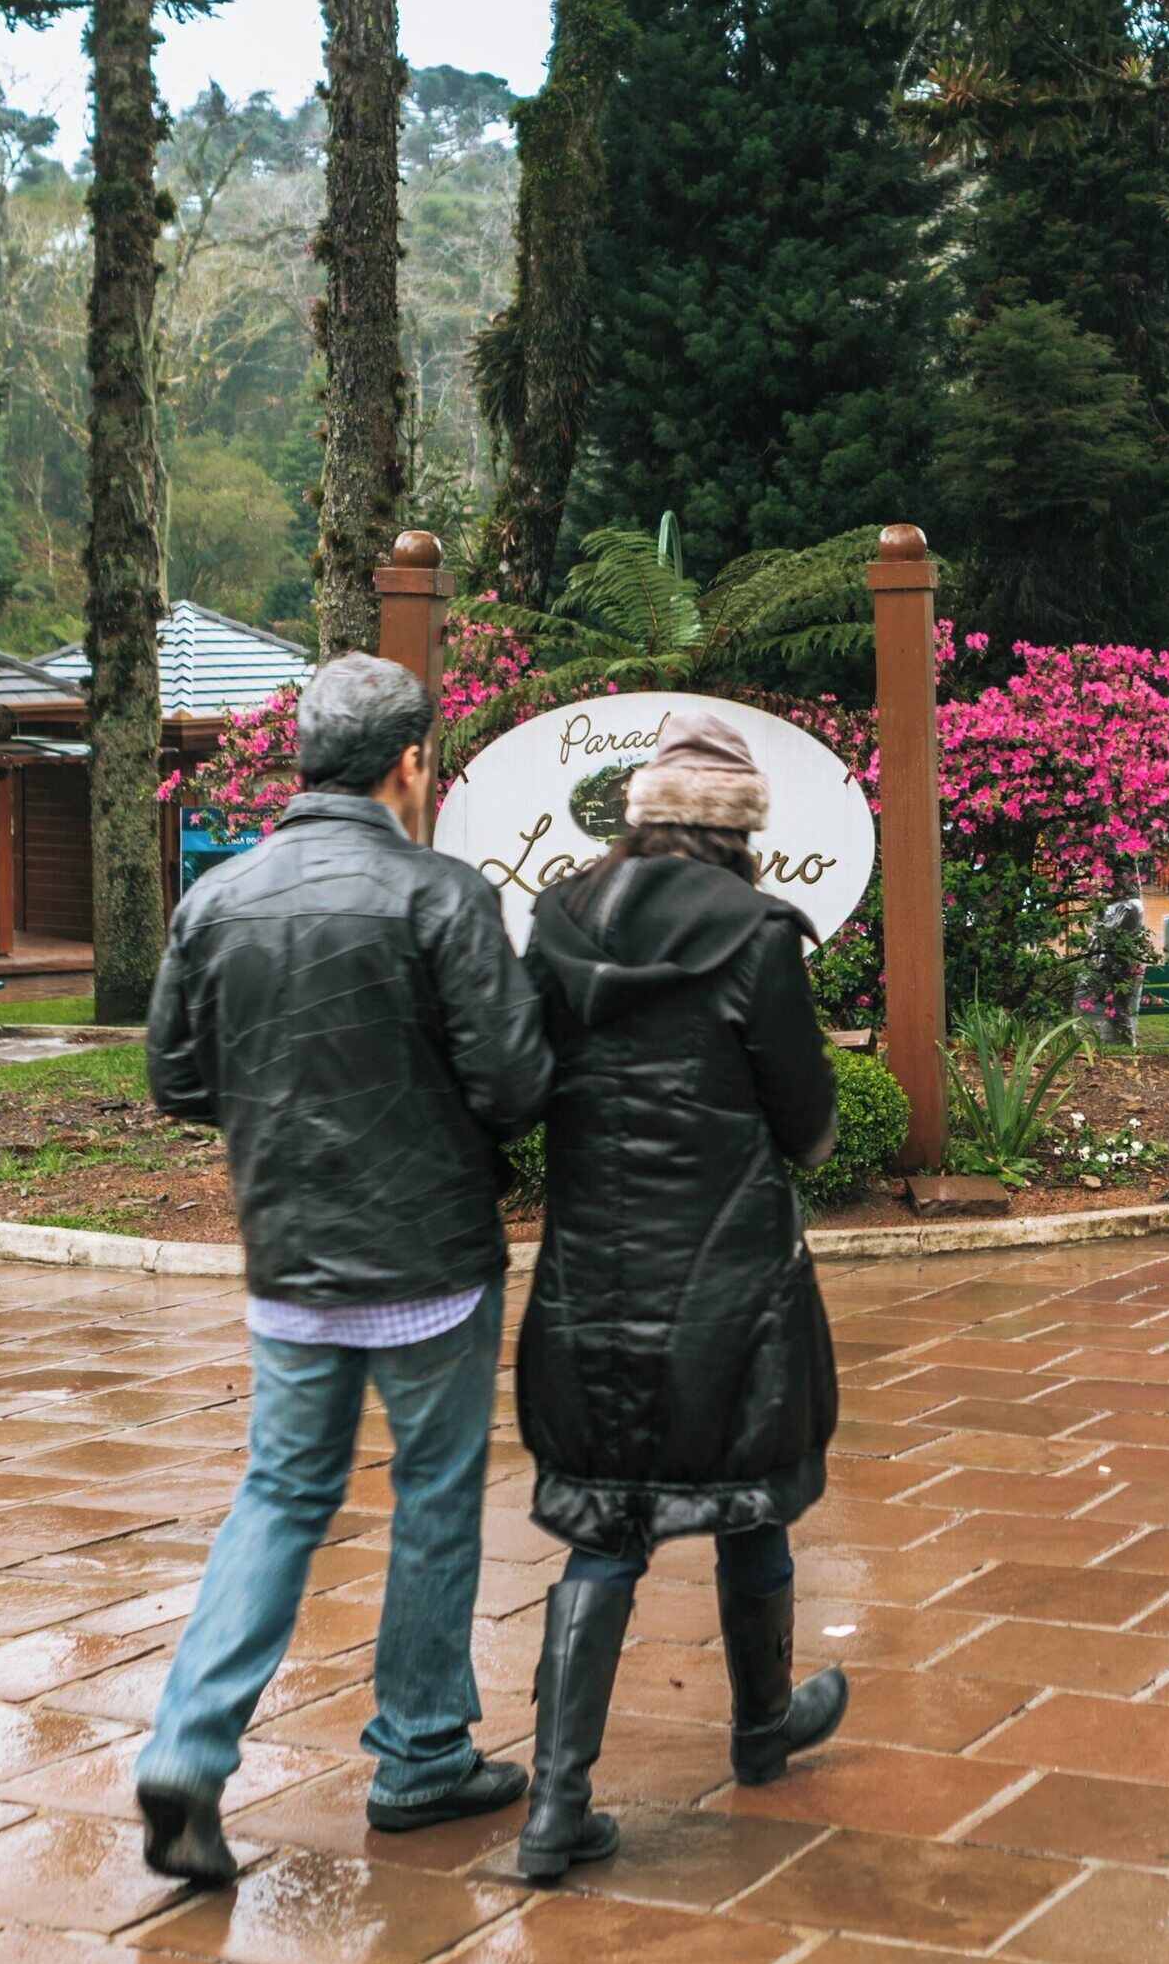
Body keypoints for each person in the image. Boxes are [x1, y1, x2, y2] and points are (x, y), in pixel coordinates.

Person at [131, 655, 550, 1886]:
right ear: (411, 762)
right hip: (431, 1268)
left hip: (289, 1267)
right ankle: (421, 1755)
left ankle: (187, 1752)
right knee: (432, 1499)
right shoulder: (441, 896)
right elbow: (517, 1088)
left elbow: (176, 1081)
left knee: (277, 1498)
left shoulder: (218, 899)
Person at [511, 709, 849, 1881]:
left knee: (604, 1524)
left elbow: (517, 1079)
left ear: (639, 818)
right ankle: (761, 1731)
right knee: (751, 1498)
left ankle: (556, 1807)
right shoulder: (758, 938)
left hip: (587, 1284)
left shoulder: (552, 924)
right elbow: (806, 1131)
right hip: (730, 1283)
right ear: (737, 835)